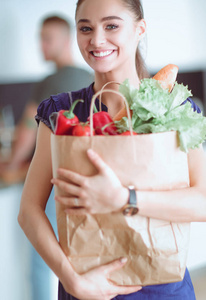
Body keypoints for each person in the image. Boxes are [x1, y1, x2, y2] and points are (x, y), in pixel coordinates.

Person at [18, 0, 206, 299]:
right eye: (86, 28)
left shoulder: (173, 106)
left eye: (111, 26)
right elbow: (28, 211)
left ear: (140, 29)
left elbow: (203, 201)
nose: (97, 39)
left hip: (162, 288)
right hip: (84, 287)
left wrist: (124, 198)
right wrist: (72, 281)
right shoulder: (60, 111)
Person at [1, 14, 93, 300]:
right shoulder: (88, 78)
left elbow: (29, 128)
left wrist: (12, 164)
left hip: (55, 179)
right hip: (87, 181)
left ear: (66, 40)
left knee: (42, 264)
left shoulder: (51, 81)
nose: (41, 45)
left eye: (47, 38)